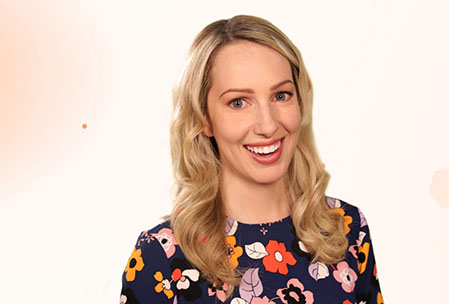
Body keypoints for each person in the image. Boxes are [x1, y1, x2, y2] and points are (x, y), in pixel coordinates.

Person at [121, 15, 383, 304]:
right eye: (238, 102)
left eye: (281, 95)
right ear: (204, 118)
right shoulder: (161, 255)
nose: (268, 125)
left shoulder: (346, 230)